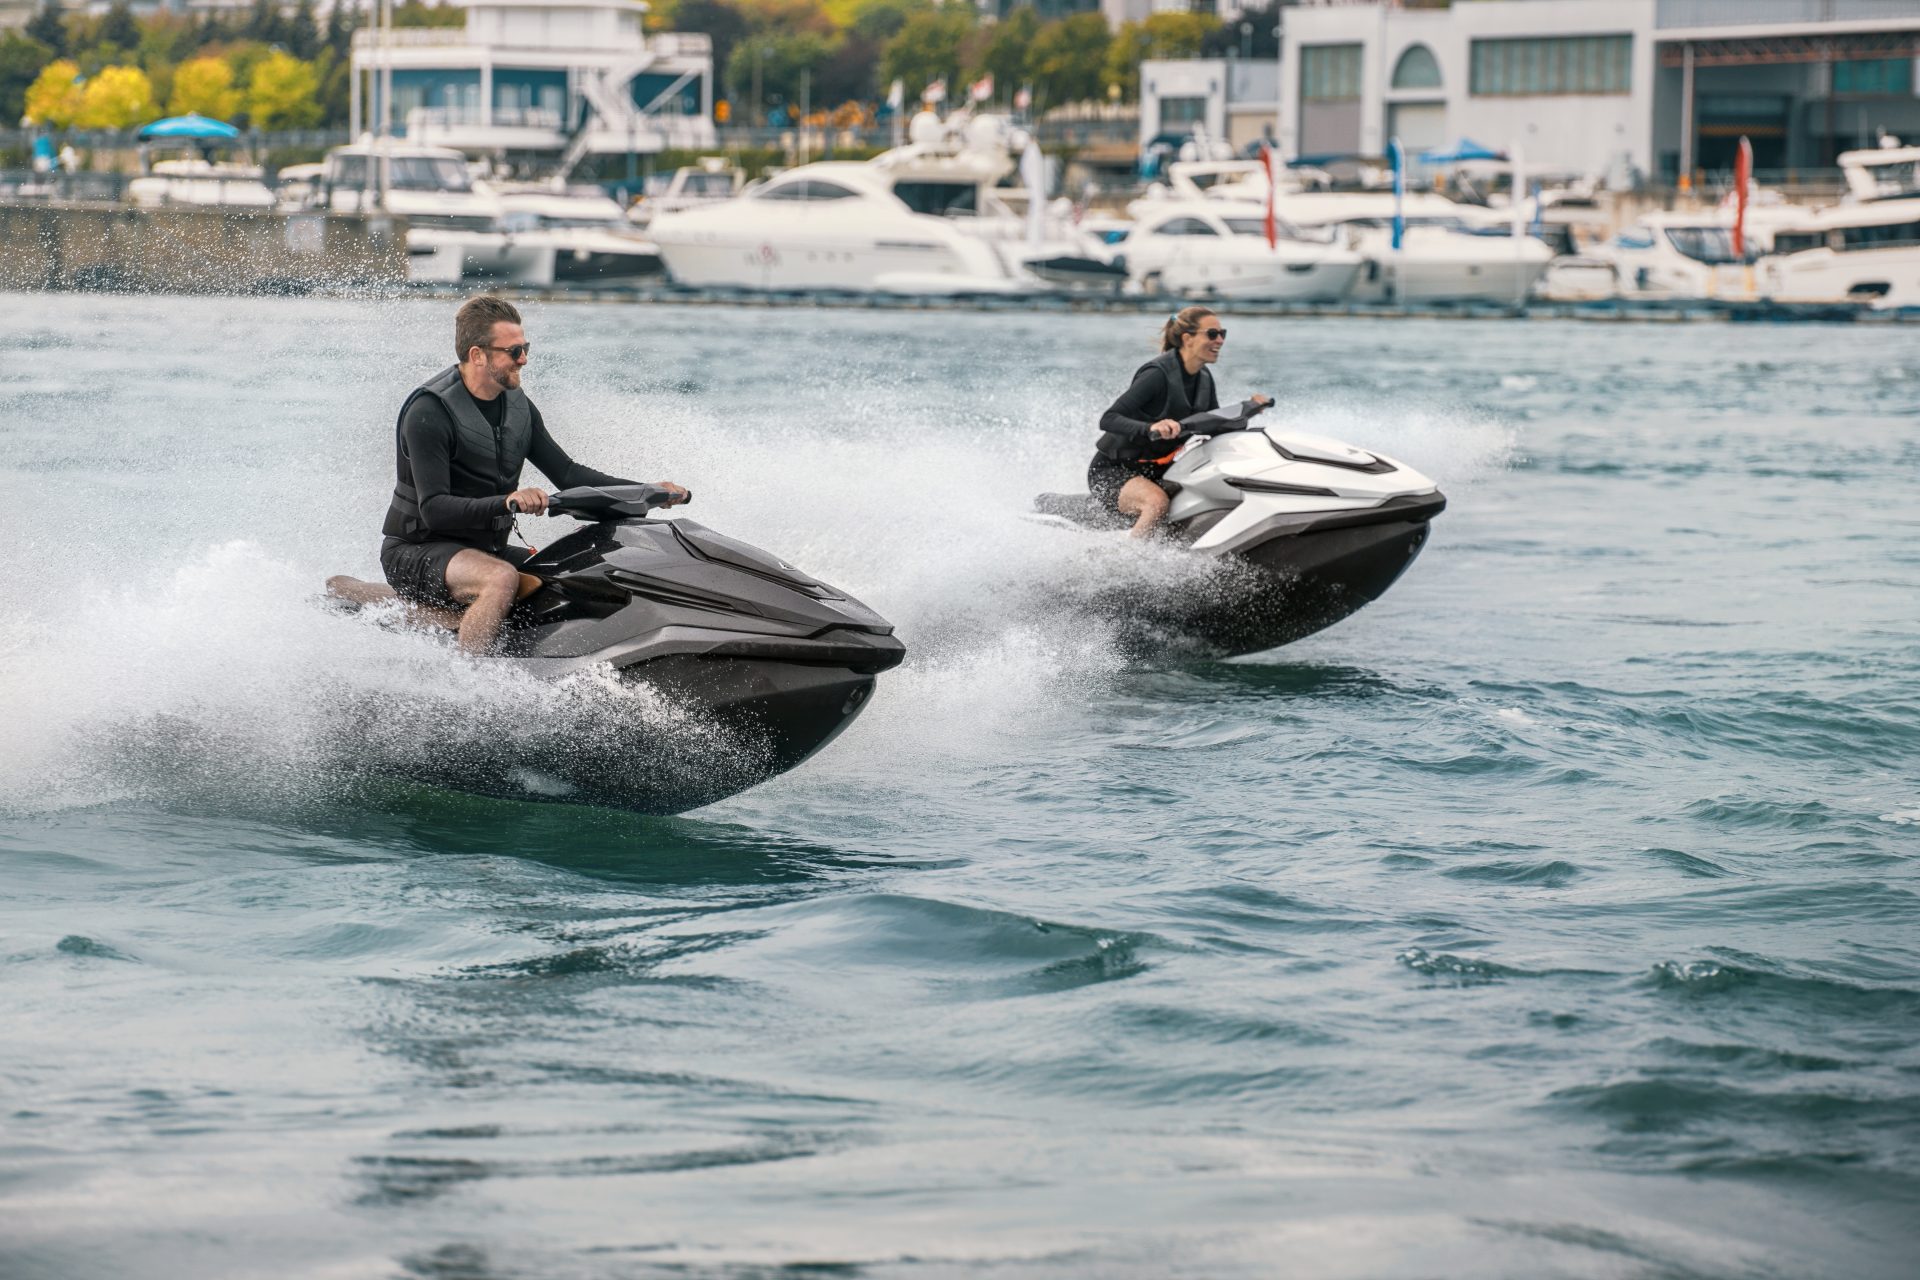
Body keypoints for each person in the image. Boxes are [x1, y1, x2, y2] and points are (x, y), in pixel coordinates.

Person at [341, 295, 687, 653]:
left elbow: (567, 473)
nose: (524, 359)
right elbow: (434, 508)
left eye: (525, 348)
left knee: (574, 571)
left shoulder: (517, 405)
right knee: (501, 578)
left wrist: (646, 490)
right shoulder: (429, 411)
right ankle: (467, 684)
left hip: (481, 548)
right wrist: (506, 502)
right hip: (416, 551)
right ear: (478, 355)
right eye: (513, 351)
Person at [1090, 306, 1272, 537]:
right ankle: (1126, 565)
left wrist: (1250, 409)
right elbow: (1109, 419)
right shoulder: (1156, 374)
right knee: (1156, 504)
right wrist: (1150, 428)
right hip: (1114, 471)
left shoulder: (1204, 379)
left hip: (1156, 470)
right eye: (1212, 334)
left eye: (1223, 333)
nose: (1220, 340)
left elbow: (1213, 424)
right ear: (1188, 338)